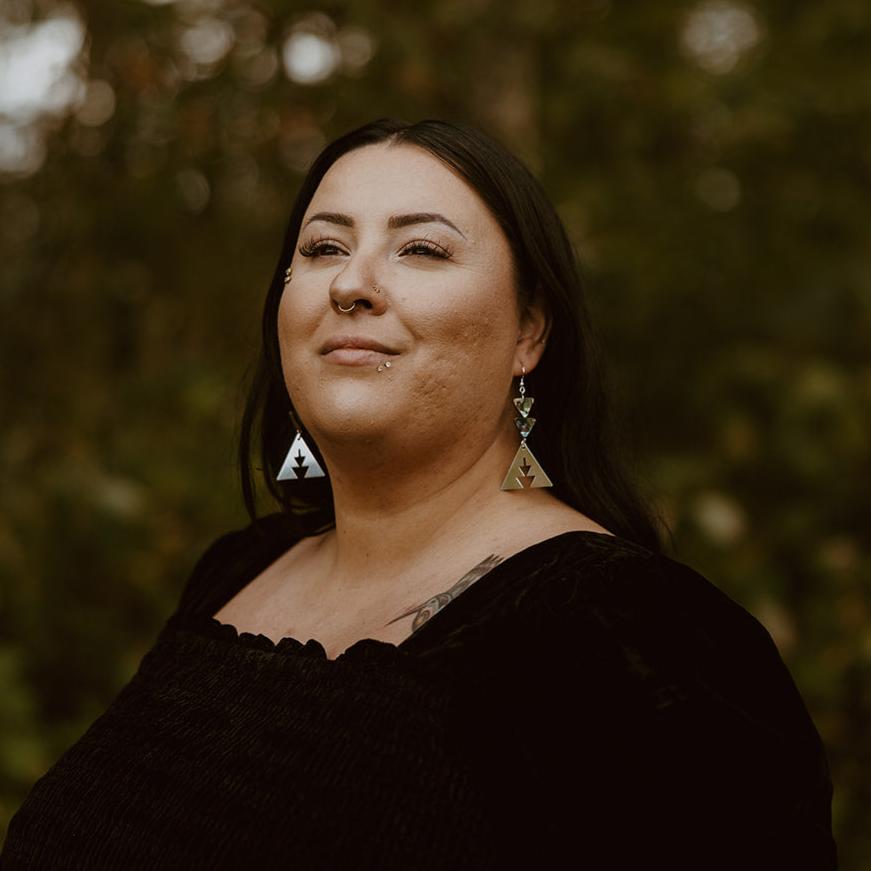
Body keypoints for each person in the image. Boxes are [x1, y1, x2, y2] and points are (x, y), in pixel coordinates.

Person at [1, 119, 836, 870]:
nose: (350, 284)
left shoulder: (635, 633)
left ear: (528, 331)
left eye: (421, 249)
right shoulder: (234, 572)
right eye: (324, 248)